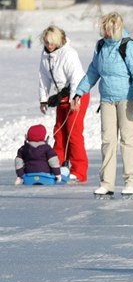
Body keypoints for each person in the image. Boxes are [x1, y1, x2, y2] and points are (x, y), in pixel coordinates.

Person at [71, 12, 133, 198]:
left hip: (127, 100)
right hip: (107, 100)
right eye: (104, 29)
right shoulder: (101, 46)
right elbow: (93, 72)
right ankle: (106, 183)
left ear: (118, 27)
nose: (107, 32)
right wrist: (79, 92)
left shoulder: (128, 46)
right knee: (107, 141)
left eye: (110, 29)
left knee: (128, 141)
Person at [38, 25, 90, 182]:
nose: (49, 45)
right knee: (59, 133)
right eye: (46, 42)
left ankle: (79, 171)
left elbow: (76, 77)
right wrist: (43, 98)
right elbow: (43, 78)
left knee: (73, 133)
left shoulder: (69, 54)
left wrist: (75, 98)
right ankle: (57, 167)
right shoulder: (45, 55)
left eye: (52, 42)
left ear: (59, 40)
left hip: (78, 94)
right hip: (62, 96)